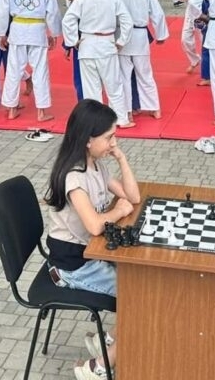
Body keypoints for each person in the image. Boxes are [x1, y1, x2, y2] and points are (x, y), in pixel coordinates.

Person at [45, 99, 140, 380]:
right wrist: (118, 211)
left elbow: (133, 197)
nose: (114, 142)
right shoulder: (74, 177)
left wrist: (121, 158)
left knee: (142, 284)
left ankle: (105, 340)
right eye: (109, 137)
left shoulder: (96, 166)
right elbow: (95, 226)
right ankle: (98, 367)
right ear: (88, 140)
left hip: (90, 254)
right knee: (140, 298)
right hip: (72, 266)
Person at [0, 0, 62, 122]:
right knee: (40, 71)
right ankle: (41, 112)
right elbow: (52, 10)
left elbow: (2, 10)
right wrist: (54, 32)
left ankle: (11, 109)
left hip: (18, 28)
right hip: (37, 30)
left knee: (14, 70)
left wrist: (1, 33)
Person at [62, 0, 132, 124]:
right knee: (114, 86)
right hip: (107, 43)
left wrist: (73, 40)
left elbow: (67, 20)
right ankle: (121, 119)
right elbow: (127, 21)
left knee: (91, 89)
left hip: (87, 44)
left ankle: (95, 122)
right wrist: (121, 41)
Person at [114, 0, 169, 124]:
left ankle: (128, 111)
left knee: (124, 76)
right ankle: (155, 108)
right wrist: (160, 35)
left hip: (122, 36)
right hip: (140, 35)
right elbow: (157, 14)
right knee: (145, 74)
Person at [174, 0, 208, 71]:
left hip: (203, 12)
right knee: (185, 39)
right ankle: (195, 59)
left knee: (204, 40)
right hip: (190, 11)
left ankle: (208, 65)